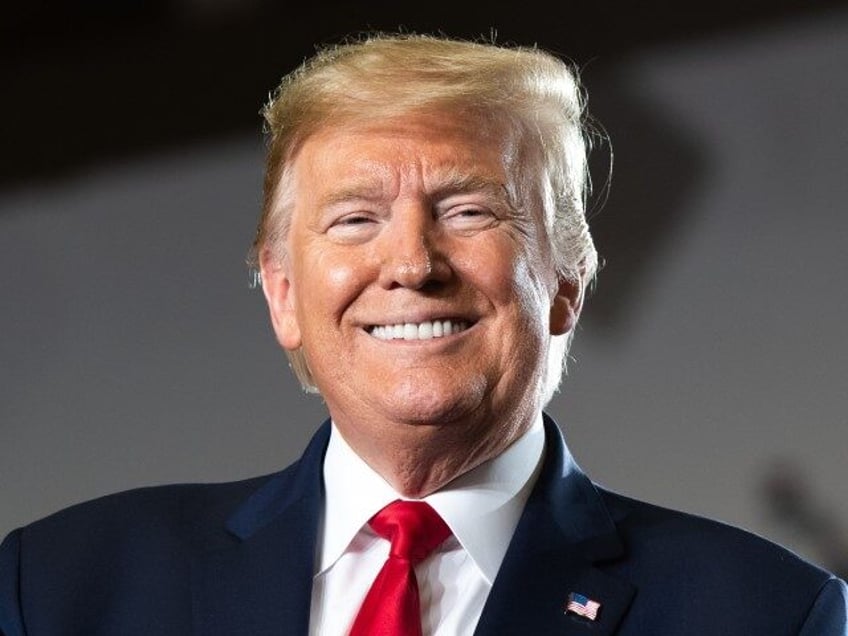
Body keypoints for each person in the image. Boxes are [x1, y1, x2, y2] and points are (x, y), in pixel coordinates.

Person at [1, 33, 846, 636]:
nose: (410, 261)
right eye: (356, 218)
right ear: (283, 293)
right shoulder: (60, 589)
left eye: (468, 211)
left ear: (567, 280)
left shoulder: (765, 615)